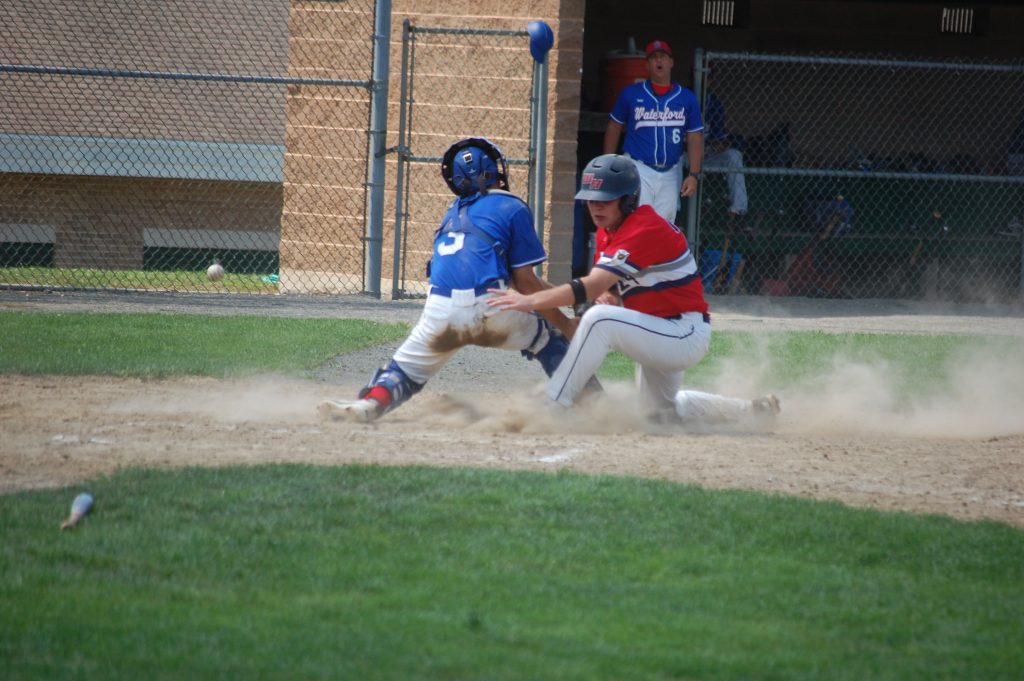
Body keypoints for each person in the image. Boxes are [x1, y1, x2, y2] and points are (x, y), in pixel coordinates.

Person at [487, 154, 779, 424]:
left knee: (599, 319)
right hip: (659, 328)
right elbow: (608, 287)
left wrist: (532, 300)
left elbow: (592, 286)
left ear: (627, 200)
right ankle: (751, 412)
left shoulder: (643, 227)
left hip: (683, 332)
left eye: (605, 200)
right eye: (590, 199)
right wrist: (611, 295)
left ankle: (554, 403)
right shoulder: (608, 231)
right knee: (660, 414)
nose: (595, 206)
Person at [319, 137, 578, 423]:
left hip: (440, 309)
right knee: (548, 337)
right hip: (491, 305)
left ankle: (369, 405)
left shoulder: (451, 214)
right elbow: (526, 284)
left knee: (404, 371)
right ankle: (592, 403)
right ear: (492, 170)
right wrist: (565, 323)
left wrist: (569, 295)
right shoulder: (511, 205)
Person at [603, 39, 704, 225]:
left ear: (671, 62)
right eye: (654, 58)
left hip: (671, 170)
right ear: (647, 65)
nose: (659, 61)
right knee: (636, 223)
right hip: (639, 167)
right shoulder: (631, 93)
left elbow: (694, 136)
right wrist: (608, 161)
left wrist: (694, 174)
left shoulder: (686, 98)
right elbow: (614, 126)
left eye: (663, 57)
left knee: (664, 226)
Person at [702, 89, 749, 225]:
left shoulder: (714, 103)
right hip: (683, 154)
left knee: (734, 155)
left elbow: (719, 139)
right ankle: (673, 213)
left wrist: (719, 146)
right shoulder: (680, 99)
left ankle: (738, 212)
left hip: (706, 154)